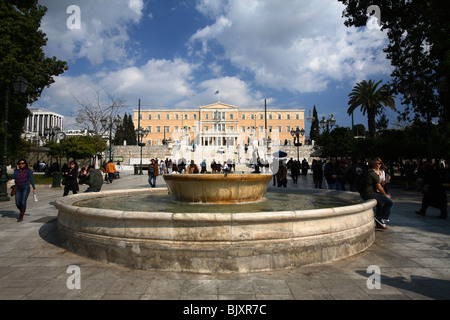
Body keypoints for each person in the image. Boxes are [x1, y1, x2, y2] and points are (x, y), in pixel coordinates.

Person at [359, 160, 394, 230]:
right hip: (370, 194)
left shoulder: (367, 172)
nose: (379, 164)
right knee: (390, 202)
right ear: (375, 165)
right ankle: (380, 217)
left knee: (380, 204)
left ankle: (380, 221)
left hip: (365, 193)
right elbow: (379, 187)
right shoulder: (373, 173)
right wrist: (385, 195)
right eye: (378, 163)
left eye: (380, 163)